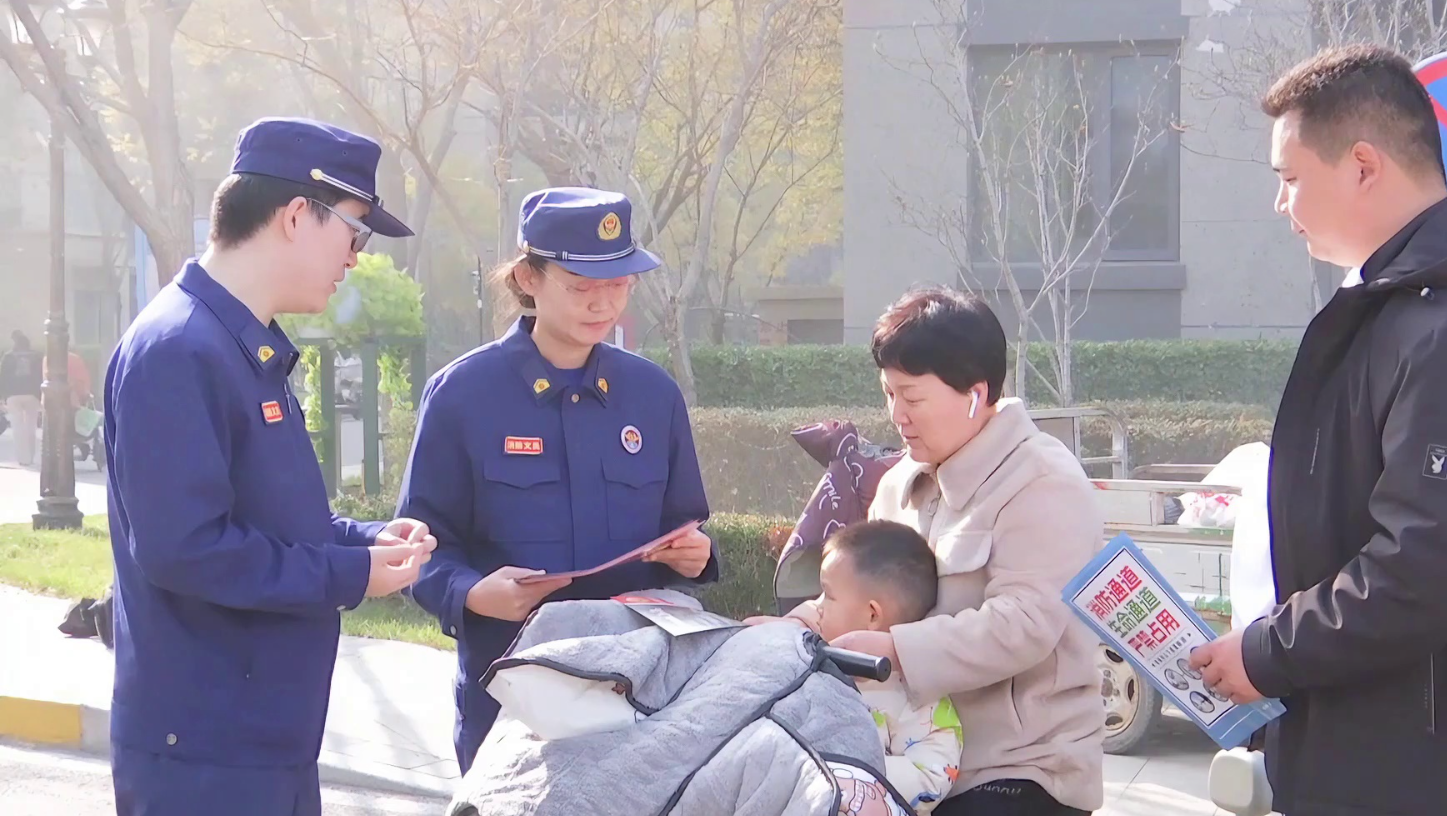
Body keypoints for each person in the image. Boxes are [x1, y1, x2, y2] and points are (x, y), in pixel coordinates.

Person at [1189, 44, 1447, 815]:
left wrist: (1269, 652)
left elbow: (1430, 565)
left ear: (1363, 166)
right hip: (1385, 750)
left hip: (1443, 770)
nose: (1280, 204)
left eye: (1290, 178)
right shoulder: (1398, 310)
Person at [102, 117, 438, 816]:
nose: (355, 258)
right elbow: (185, 550)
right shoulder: (179, 349)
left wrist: (364, 541)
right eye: (354, 232)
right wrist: (350, 575)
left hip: (259, 742)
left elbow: (270, 518)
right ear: (294, 216)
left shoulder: (241, 345)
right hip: (205, 756)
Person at [398, 186, 716, 774]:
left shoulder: (654, 397)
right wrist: (472, 593)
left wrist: (695, 555)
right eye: (581, 286)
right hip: (512, 697)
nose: (602, 303)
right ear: (529, 278)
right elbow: (418, 547)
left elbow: (685, 525)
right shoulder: (463, 396)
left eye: (618, 284)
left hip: (636, 695)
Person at [754, 287, 1105, 816]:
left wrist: (895, 650)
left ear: (975, 394)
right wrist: (793, 628)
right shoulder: (899, 483)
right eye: (888, 394)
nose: (898, 415)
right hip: (902, 753)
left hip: (1016, 771)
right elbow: (855, 587)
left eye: (912, 398)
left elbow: (1025, 624)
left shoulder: (1043, 481)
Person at [813, 519, 962, 815]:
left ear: (872, 615)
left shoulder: (918, 698)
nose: (816, 606)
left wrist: (847, 773)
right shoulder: (812, 664)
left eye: (828, 595)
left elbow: (932, 775)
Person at [1, 329, 43, 465]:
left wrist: (2, 396)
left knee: (17, 426)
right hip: (32, 394)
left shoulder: (8, 356)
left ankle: (22, 458)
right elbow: (41, 375)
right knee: (31, 425)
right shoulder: (36, 356)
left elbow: (2, 377)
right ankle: (30, 456)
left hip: (13, 395)